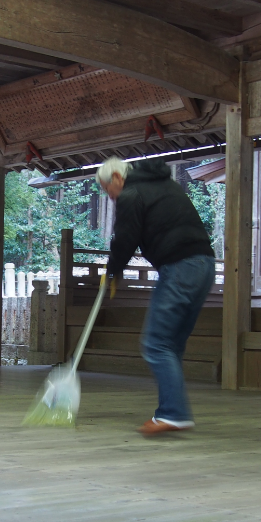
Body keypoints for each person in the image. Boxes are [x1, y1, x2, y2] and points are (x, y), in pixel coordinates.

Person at [97, 157, 216, 436]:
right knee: (171, 345)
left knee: (155, 344)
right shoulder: (164, 184)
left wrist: (113, 270)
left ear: (116, 177)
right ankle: (174, 412)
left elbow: (125, 237)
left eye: (107, 190)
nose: (110, 197)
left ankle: (173, 414)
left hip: (180, 267)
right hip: (204, 267)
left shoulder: (131, 194)